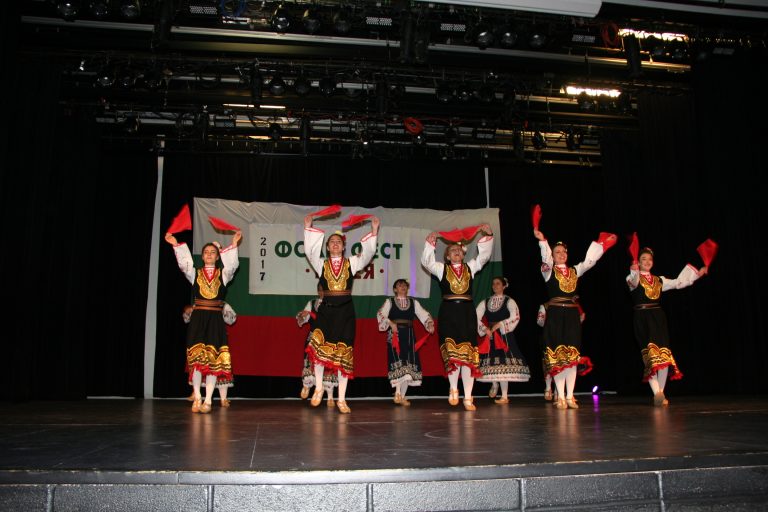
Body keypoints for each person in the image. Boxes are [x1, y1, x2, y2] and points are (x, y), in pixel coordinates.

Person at [303, 214, 380, 414]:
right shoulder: (320, 264)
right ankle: (318, 388)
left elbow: (367, 255)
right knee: (319, 350)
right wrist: (308, 226)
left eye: (339, 242)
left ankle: (342, 399)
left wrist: (374, 231)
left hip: (346, 313)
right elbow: (310, 251)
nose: (335, 244)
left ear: (344, 247)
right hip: (326, 312)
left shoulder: (351, 263)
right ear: (327, 248)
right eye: (332, 242)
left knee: (344, 355)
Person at [533, 228, 615, 410]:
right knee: (558, 357)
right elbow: (545, 258)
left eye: (564, 251)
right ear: (553, 255)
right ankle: (560, 396)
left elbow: (589, 262)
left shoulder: (574, 271)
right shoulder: (548, 271)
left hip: (571, 316)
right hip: (555, 315)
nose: (562, 254)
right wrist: (542, 241)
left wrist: (602, 245)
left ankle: (570, 396)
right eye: (557, 252)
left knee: (571, 357)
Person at [165, 230, 242, 414]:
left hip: (215, 319)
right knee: (197, 360)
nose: (209, 254)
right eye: (206, 252)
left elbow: (232, 266)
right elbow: (185, 264)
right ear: (202, 256)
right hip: (198, 319)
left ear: (217, 257)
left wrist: (234, 245)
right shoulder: (195, 274)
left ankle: (208, 400)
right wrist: (176, 244)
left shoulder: (223, 275)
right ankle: (198, 397)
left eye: (212, 252)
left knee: (213, 360)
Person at [422, 224, 494, 411]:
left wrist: (488, 235)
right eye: (452, 250)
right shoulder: (441, 269)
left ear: (463, 254)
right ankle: (454, 389)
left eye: (458, 250)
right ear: (447, 256)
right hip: (448, 313)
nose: (456, 252)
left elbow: (484, 257)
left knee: (468, 357)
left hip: (467, 313)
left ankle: (468, 397)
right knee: (453, 355)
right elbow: (427, 262)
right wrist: (430, 243)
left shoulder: (471, 267)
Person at [626, 246, 708, 406]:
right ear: (638, 262)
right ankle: (657, 392)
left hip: (658, 318)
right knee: (650, 357)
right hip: (642, 319)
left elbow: (678, 282)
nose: (647, 262)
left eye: (649, 259)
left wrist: (698, 274)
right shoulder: (631, 277)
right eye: (643, 259)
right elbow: (634, 281)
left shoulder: (659, 280)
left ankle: (660, 394)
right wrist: (634, 270)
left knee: (663, 356)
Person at [376, 279, 435, 406]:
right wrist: (390, 323)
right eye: (399, 285)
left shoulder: (413, 302)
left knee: (408, 365)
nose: (403, 287)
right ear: (395, 289)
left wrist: (429, 323)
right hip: (395, 335)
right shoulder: (390, 302)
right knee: (398, 362)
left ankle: (402, 396)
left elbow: (424, 314)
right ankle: (397, 392)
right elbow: (381, 313)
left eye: (405, 285)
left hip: (409, 335)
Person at [475, 277, 531, 404]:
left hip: (504, 336)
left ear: (504, 286)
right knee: (491, 362)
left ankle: (504, 396)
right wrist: (484, 328)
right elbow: (475, 316)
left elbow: (515, 316)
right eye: (493, 284)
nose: (495, 286)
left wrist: (500, 324)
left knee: (503, 363)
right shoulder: (486, 302)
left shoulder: (509, 301)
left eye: (498, 283)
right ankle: (495, 384)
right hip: (490, 335)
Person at [183, 302, 237, 406]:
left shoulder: (221, 304)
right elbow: (186, 319)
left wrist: (225, 313)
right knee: (198, 365)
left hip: (215, 338)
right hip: (201, 339)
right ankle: (197, 394)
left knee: (218, 367)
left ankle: (222, 398)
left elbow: (231, 320)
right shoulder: (198, 303)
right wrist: (188, 312)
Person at [296, 283, 337, 407]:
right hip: (314, 337)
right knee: (310, 361)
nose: (321, 293)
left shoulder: (334, 304)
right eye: (319, 290)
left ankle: (330, 396)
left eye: (324, 290)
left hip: (328, 339)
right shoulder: (312, 303)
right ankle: (306, 385)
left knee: (329, 366)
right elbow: (304, 317)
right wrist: (302, 315)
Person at [537, 303, 585, 402]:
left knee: (567, 362)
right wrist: (551, 324)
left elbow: (581, 318)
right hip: (550, 336)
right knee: (549, 361)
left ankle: (560, 392)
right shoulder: (546, 306)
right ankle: (548, 388)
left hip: (566, 336)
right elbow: (540, 322)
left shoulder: (574, 305)